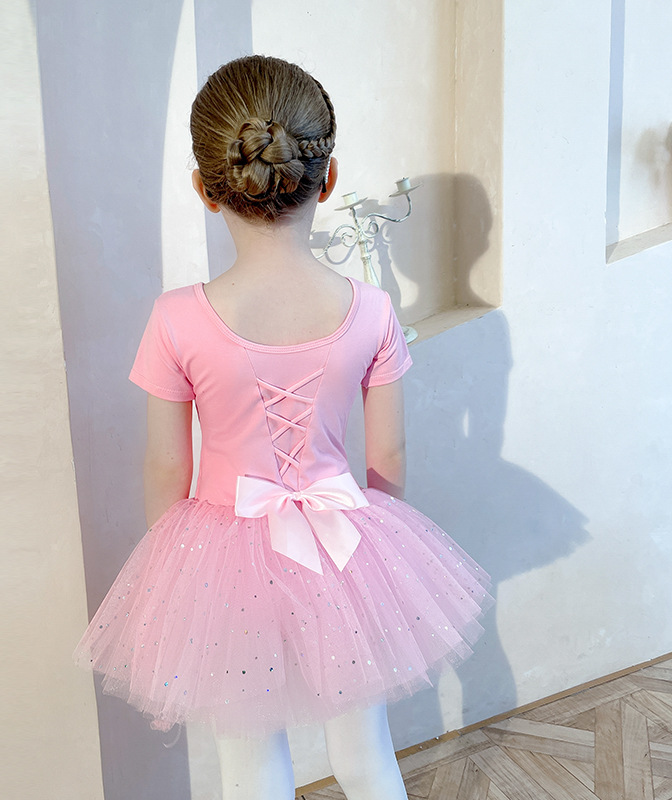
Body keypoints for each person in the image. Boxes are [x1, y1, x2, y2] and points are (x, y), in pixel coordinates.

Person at [73, 55, 492, 800]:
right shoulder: (371, 310)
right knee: (365, 755)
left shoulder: (176, 318)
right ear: (326, 181)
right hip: (345, 543)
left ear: (206, 189)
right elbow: (389, 454)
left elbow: (167, 469)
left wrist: (181, 571)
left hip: (220, 553)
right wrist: (376, 551)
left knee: (250, 766)